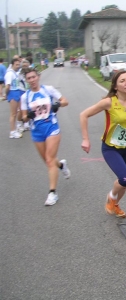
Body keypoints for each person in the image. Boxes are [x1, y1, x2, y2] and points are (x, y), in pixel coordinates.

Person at [80, 70, 126, 218]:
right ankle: (111, 197)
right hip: (110, 148)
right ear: (115, 86)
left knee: (125, 182)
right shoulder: (109, 102)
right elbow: (84, 115)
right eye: (122, 81)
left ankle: (115, 204)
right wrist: (86, 139)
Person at [20, 68, 71, 205]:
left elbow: (65, 101)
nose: (32, 80)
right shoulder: (25, 97)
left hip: (52, 128)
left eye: (33, 77)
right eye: (29, 78)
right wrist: (27, 116)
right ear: (27, 80)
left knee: (49, 160)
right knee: (48, 161)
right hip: (36, 131)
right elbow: (23, 117)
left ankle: (52, 193)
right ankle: (61, 165)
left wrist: (57, 104)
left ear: (38, 77)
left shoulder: (48, 89)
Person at [4, 58, 23, 138]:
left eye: (19, 64)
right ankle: (12, 132)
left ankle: (16, 128)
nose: (18, 66)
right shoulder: (10, 74)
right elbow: (7, 86)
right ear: (12, 65)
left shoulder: (15, 73)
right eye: (16, 65)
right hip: (12, 93)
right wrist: (7, 95)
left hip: (17, 92)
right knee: (13, 114)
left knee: (19, 111)